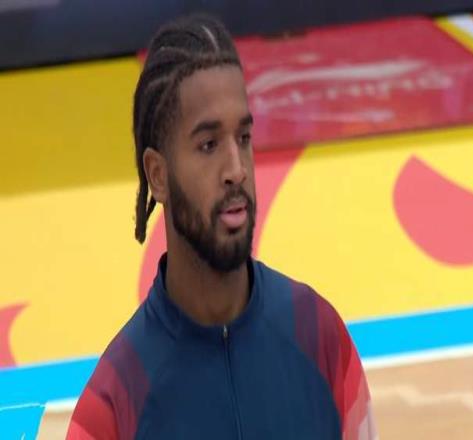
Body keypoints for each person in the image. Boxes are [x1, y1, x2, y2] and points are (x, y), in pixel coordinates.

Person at [67, 14, 376, 440]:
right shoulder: (113, 404)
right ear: (158, 175)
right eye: (209, 145)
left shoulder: (321, 337)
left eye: (243, 138)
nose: (236, 170)